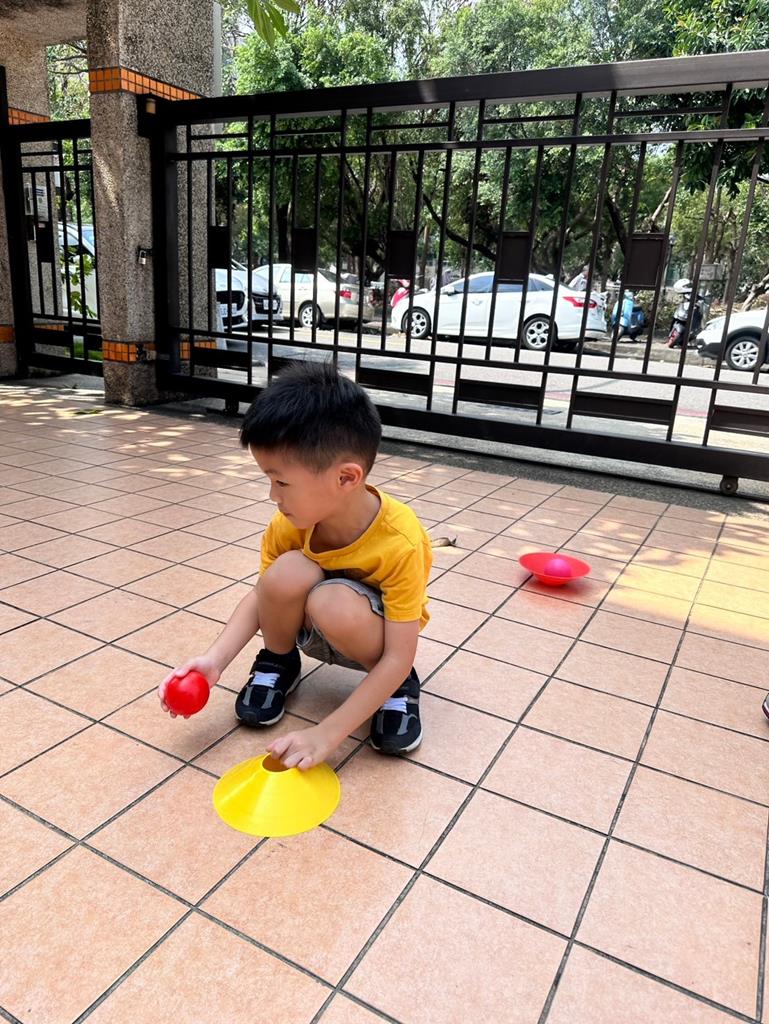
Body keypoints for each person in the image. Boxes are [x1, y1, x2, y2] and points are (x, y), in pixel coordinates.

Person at [158, 361, 431, 770]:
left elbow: (399, 654)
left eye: (282, 482)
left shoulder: (401, 541)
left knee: (332, 601)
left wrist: (327, 733)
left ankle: (397, 692)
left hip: (379, 649)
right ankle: (277, 662)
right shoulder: (288, 524)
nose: (273, 495)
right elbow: (262, 596)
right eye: (270, 481)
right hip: (312, 628)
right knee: (286, 572)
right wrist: (214, 660)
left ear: (346, 478)